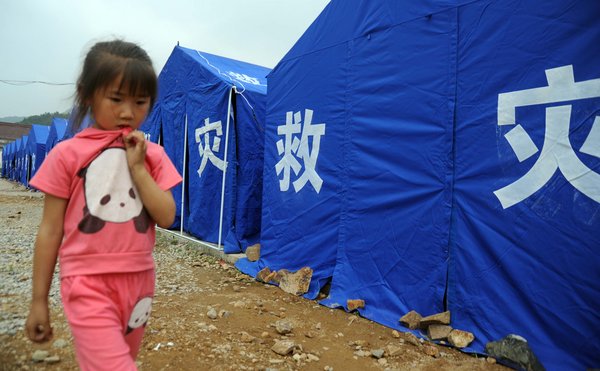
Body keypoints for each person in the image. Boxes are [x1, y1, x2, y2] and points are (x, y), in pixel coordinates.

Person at [25, 39, 182, 370]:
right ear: (87, 94)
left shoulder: (152, 155)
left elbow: (167, 216)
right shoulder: (66, 154)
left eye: (140, 102)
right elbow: (50, 230)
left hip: (139, 283)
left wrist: (138, 168)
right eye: (116, 99)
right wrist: (38, 301)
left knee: (117, 360)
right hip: (86, 283)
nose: (128, 112)